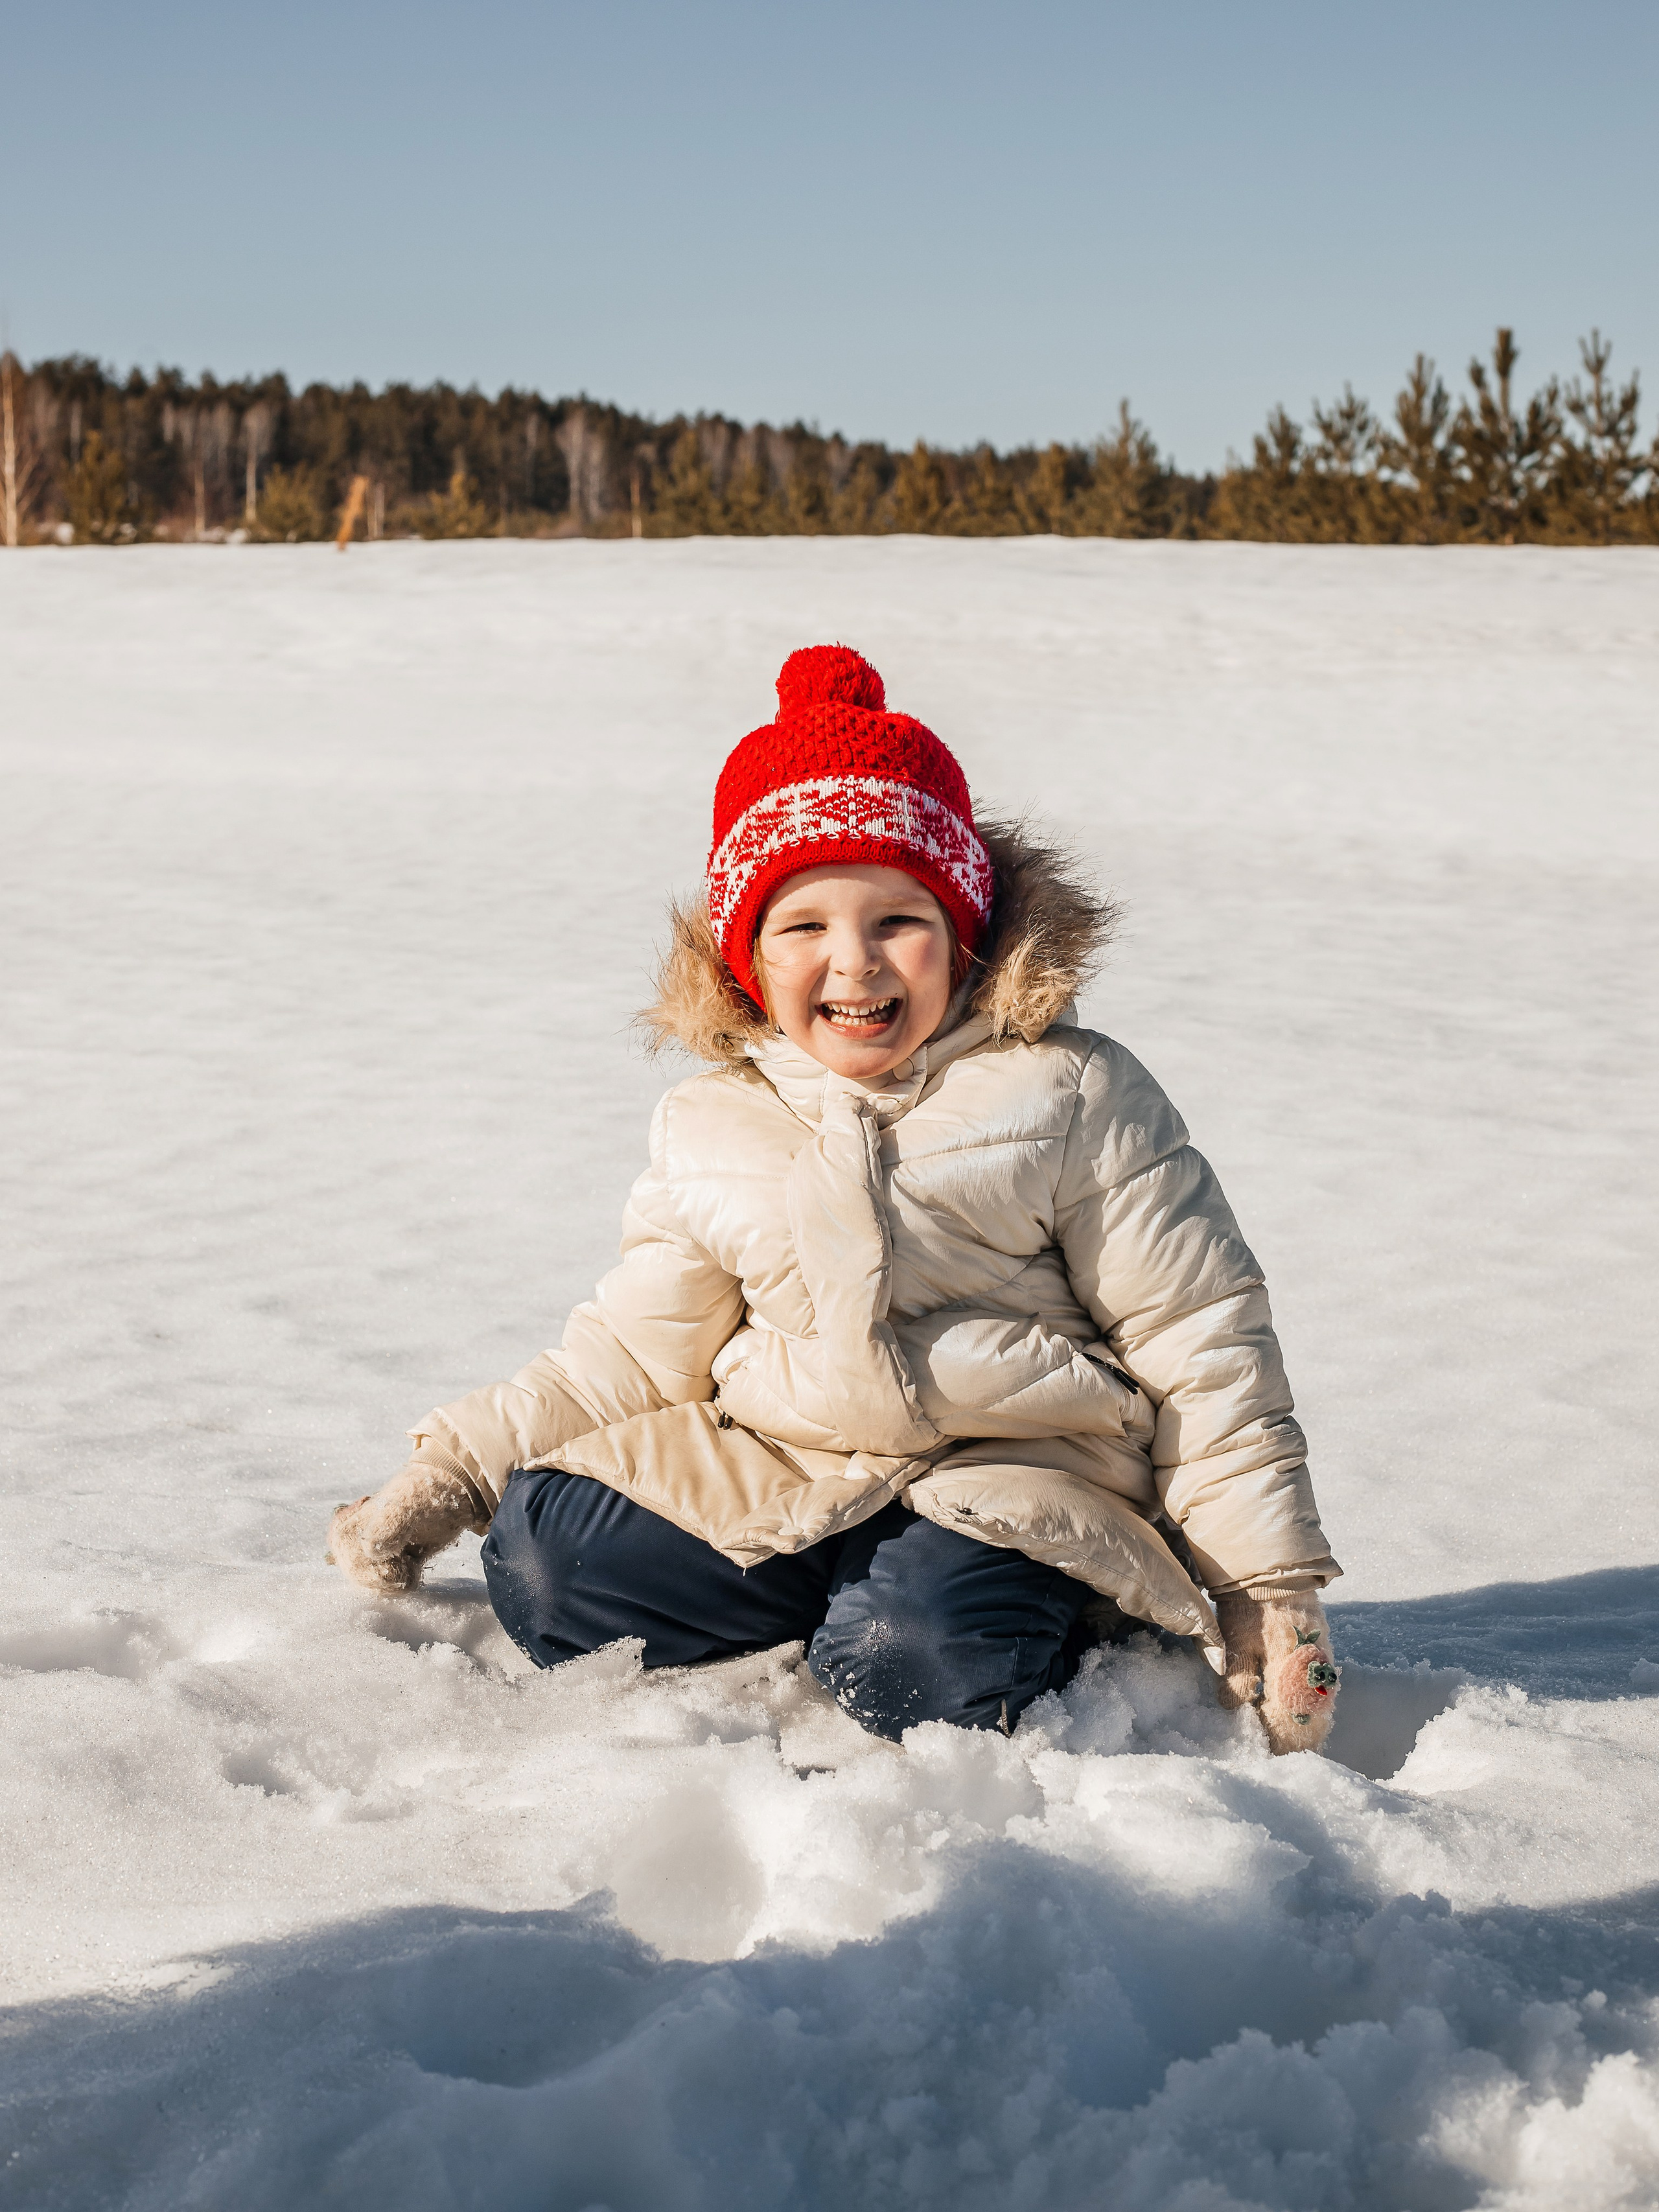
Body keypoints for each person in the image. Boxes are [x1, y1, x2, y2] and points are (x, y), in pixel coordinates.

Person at [329, 646, 1341, 1752]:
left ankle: (999, 1617)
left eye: (896, 920)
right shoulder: (716, 1120)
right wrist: (456, 1467)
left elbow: (1197, 1334)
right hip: (801, 1474)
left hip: (1015, 1482)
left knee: (911, 1651)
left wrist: (1266, 1584)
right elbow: (630, 1353)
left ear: (963, 931)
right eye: (805, 926)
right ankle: (840, 1605)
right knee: (544, 1553)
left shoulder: (1068, 1089)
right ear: (751, 958)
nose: (854, 965)